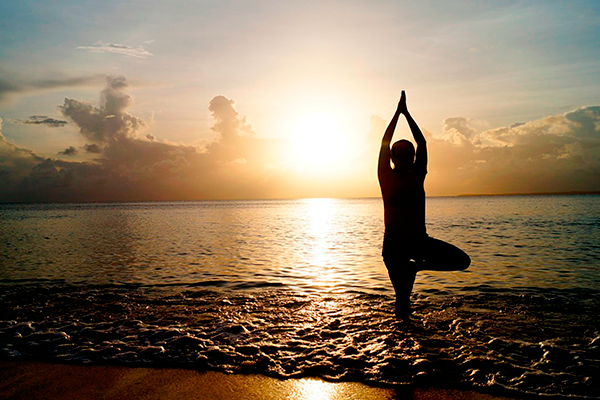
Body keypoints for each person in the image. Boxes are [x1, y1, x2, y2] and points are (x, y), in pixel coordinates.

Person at [378, 90, 470, 317]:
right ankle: (403, 340)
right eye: (398, 153)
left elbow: (422, 142)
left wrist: (407, 114)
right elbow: (384, 141)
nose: (404, 156)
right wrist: (396, 114)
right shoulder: (385, 176)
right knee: (402, 298)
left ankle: (417, 267)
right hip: (393, 247)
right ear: (392, 157)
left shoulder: (418, 174)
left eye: (407, 153)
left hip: (418, 242)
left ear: (412, 157)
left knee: (462, 261)